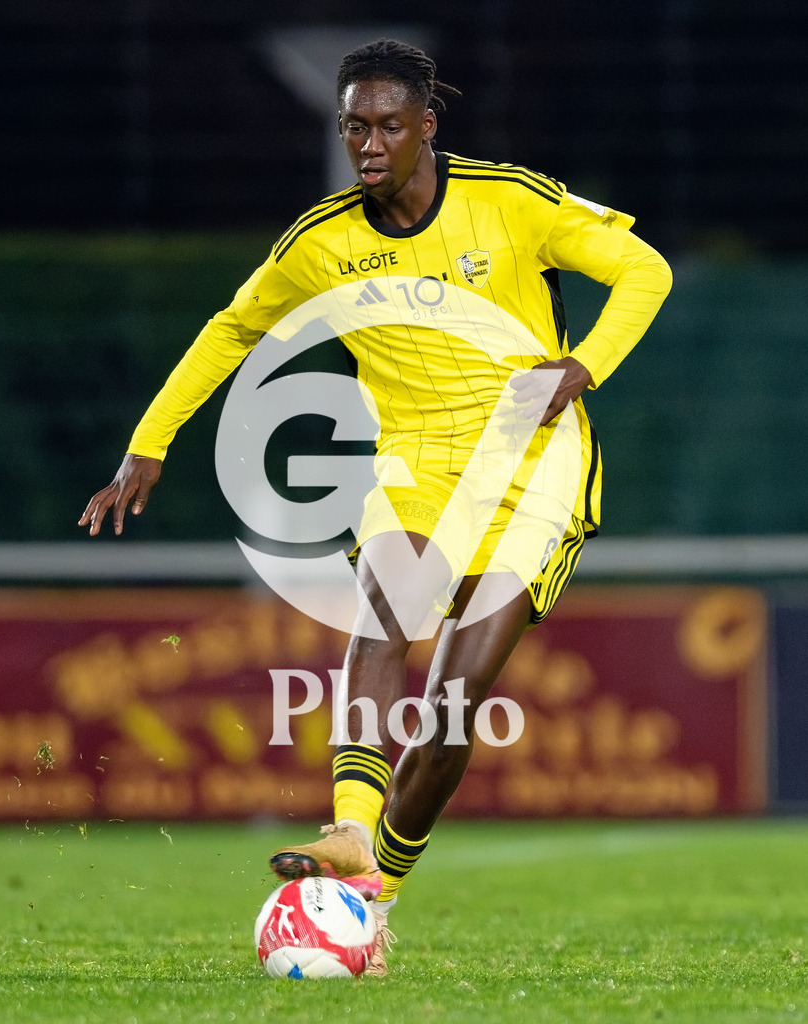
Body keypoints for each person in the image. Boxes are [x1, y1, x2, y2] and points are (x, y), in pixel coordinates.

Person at [80, 38, 672, 976]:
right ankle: (349, 832)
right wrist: (148, 441)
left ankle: (374, 893)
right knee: (382, 622)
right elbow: (232, 327)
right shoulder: (320, 244)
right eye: (353, 124)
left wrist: (581, 363)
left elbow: (646, 272)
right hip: (412, 466)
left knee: (450, 702)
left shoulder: (509, 200)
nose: (367, 142)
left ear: (425, 127)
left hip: (533, 471)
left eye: (388, 125)